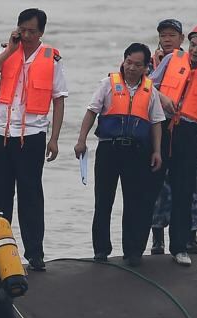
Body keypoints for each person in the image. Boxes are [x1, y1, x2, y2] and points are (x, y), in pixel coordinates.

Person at [0, 7, 68, 272]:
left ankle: (35, 253)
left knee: (30, 196)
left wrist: (54, 139)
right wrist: (9, 51)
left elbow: (59, 100)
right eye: (23, 29)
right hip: (1, 135)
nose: (26, 35)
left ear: (41, 32)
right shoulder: (7, 50)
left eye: (32, 31)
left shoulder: (52, 58)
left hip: (31, 137)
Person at [74, 43, 165, 266]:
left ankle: (132, 251)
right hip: (109, 149)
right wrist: (81, 141)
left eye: (137, 64)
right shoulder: (108, 84)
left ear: (146, 67)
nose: (132, 68)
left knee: (133, 202)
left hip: (136, 152)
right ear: (123, 61)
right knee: (103, 201)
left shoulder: (150, 90)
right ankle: (101, 250)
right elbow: (91, 112)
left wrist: (157, 151)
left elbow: (156, 123)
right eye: (128, 62)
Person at [149, 23, 197, 266]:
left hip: (190, 131)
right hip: (165, 125)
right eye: (192, 45)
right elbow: (149, 84)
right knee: (153, 184)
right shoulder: (172, 59)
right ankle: (148, 240)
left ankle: (180, 247)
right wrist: (163, 98)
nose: (194, 50)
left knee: (185, 190)